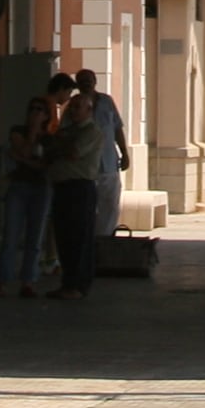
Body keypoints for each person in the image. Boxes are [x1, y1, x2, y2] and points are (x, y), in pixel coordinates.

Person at [41, 74, 105, 301]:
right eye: (73, 106)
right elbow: (50, 149)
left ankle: (79, 284)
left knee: (79, 238)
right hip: (62, 188)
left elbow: (73, 153)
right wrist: (58, 146)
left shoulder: (92, 132)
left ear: (89, 111)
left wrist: (58, 147)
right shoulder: (67, 132)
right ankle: (67, 282)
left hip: (80, 189)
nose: (74, 110)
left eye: (79, 107)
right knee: (64, 238)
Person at [0, 97, 55, 298]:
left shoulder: (49, 139)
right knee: (11, 235)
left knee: (35, 237)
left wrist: (21, 159)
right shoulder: (17, 131)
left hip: (41, 189)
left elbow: (46, 165)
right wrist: (32, 133)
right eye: (32, 109)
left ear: (47, 115)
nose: (35, 113)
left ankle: (28, 281)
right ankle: (2, 281)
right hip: (18, 188)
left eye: (40, 110)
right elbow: (25, 150)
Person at [75, 68, 128, 245]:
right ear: (77, 84)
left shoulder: (107, 101)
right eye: (82, 80)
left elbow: (117, 128)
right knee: (87, 208)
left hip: (109, 162)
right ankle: (88, 242)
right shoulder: (75, 105)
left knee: (111, 206)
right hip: (86, 167)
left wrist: (124, 152)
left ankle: (104, 242)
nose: (86, 83)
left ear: (95, 81)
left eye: (89, 79)